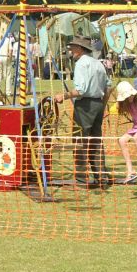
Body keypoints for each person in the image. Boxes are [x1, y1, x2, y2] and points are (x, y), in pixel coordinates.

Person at [54, 36, 112, 188]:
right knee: (96, 141)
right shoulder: (99, 64)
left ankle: (81, 179)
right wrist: (102, 105)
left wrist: (63, 96)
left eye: (72, 48)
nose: (71, 50)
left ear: (79, 49)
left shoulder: (81, 64)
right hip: (98, 104)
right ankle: (102, 177)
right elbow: (108, 87)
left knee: (80, 141)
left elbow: (81, 90)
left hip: (85, 106)